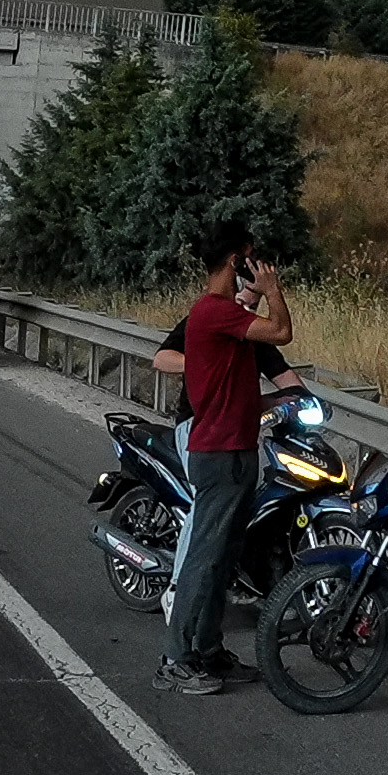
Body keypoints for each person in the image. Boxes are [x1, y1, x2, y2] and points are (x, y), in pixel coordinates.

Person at [144, 218, 288, 695]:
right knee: (204, 560)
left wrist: (278, 402)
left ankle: (208, 650)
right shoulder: (215, 312)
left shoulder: (226, 324)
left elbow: (235, 391)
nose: (254, 266)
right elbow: (282, 332)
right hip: (219, 454)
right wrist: (271, 289)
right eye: (248, 258)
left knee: (223, 560)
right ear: (235, 260)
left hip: (237, 450)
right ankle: (175, 658)